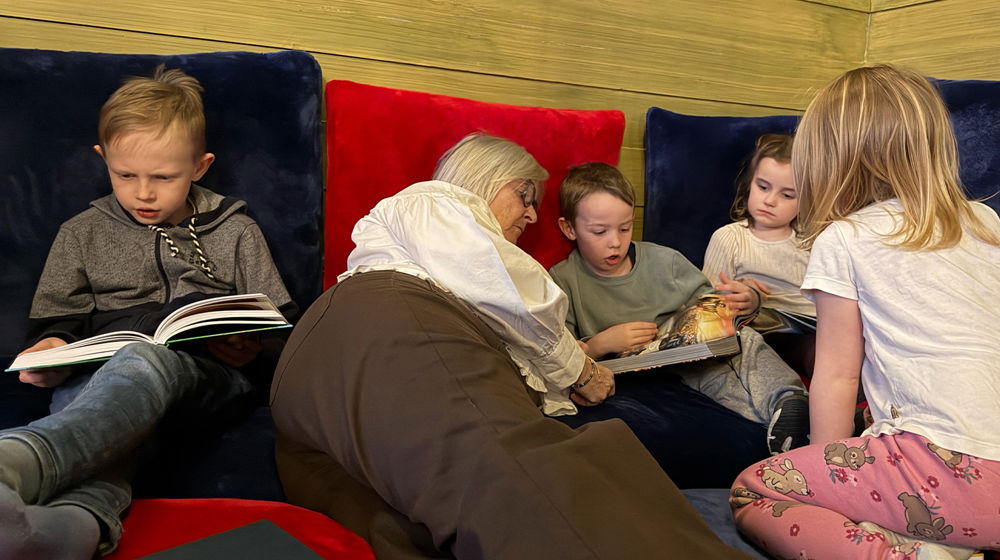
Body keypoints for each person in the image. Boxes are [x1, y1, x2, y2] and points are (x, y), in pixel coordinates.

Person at [269, 133, 755, 560]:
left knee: (395, 517)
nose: (532, 213)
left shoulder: (423, 247)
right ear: (483, 177)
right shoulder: (438, 201)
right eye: (525, 194)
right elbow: (515, 293)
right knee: (523, 476)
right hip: (395, 325)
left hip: (308, 374)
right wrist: (580, 370)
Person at [0, 65, 295, 558]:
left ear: (199, 166)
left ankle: (15, 458)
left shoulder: (237, 231)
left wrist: (253, 348)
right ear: (103, 159)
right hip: (99, 375)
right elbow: (57, 319)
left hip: (207, 379)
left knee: (143, 363)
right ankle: (70, 530)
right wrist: (53, 346)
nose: (143, 193)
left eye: (163, 177)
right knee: (104, 415)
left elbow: (281, 324)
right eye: (125, 175)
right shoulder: (81, 232)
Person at [730, 65, 1000, 559]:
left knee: (754, 491)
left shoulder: (845, 238)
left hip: (947, 472)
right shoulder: (986, 222)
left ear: (829, 161)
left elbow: (836, 376)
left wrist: (825, 484)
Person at [549, 162, 810, 455]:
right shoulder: (561, 280)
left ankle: (789, 404)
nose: (615, 242)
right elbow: (562, 352)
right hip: (621, 378)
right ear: (569, 228)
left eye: (625, 228)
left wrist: (744, 300)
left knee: (739, 347)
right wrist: (600, 344)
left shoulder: (665, 262)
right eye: (599, 232)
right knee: (719, 383)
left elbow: (711, 309)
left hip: (685, 363)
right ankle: (787, 427)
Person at [702, 133, 816, 378]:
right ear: (749, 184)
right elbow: (707, 305)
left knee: (830, 351)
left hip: (806, 337)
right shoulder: (729, 238)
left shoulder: (812, 242)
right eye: (763, 187)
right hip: (753, 335)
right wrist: (742, 295)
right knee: (746, 348)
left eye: (787, 195)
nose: (770, 200)